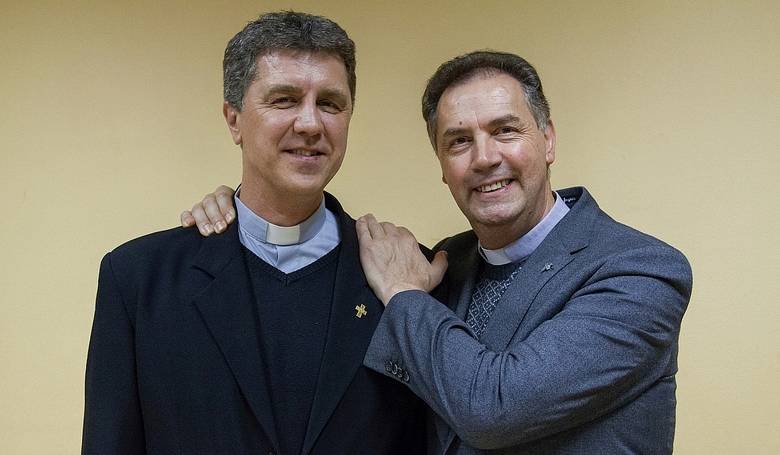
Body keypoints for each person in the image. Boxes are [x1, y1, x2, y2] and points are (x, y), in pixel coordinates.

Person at [185, 51, 692, 453]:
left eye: (505, 130)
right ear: (442, 166)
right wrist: (247, 215)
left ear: (548, 139)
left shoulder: (639, 271)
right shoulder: (446, 262)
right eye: (458, 141)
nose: (485, 158)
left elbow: (494, 408)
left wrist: (404, 294)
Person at [83, 11, 426, 455]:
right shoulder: (139, 280)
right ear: (234, 119)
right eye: (284, 100)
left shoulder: (406, 281)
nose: (310, 124)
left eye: (330, 103)